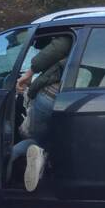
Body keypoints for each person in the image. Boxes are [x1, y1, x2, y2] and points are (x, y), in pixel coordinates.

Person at [15, 35, 72, 191]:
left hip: (51, 95)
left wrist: (29, 73)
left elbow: (57, 48)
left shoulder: (73, 33)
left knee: (35, 139)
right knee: (59, 140)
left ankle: (13, 163)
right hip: (77, 101)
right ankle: (46, 165)